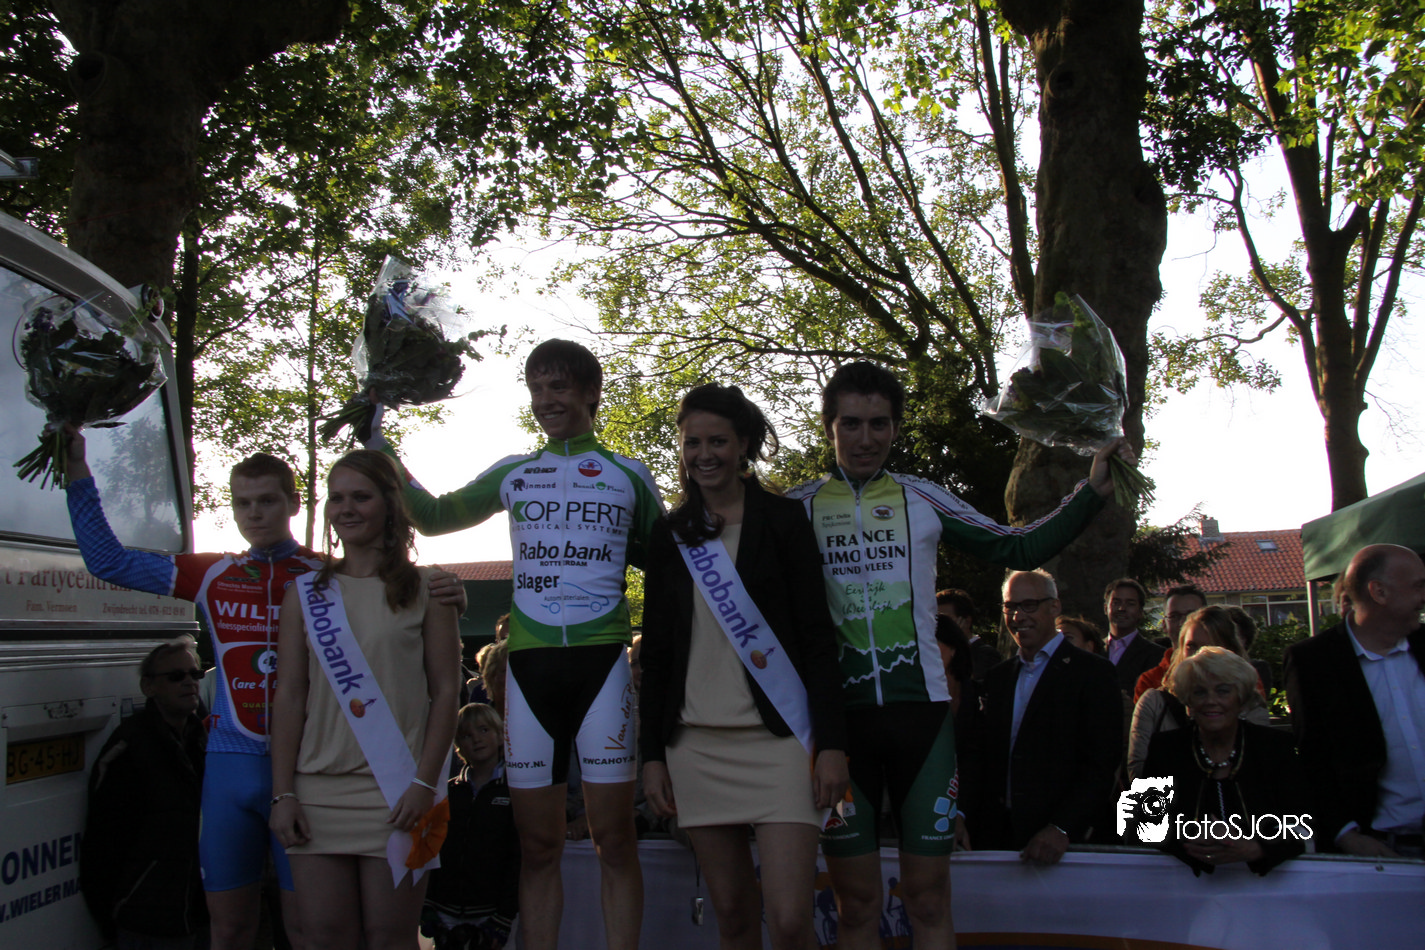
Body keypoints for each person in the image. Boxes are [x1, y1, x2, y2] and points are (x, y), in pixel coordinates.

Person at [65, 431, 466, 950]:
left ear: (294, 504)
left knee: (310, 933)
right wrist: (77, 471)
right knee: (235, 930)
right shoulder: (214, 573)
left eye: (267, 501)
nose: (255, 514)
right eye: (243, 503)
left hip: (326, 766)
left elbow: (423, 651)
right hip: (243, 765)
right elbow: (108, 562)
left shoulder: (320, 574)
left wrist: (451, 589)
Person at [785, 362, 1130, 949]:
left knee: (927, 896)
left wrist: (1093, 489)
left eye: (878, 424)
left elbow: (1018, 546)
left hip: (922, 720)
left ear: (895, 428)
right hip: (839, 728)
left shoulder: (921, 497)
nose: (865, 438)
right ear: (830, 428)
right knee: (856, 903)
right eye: (851, 424)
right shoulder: (797, 507)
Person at [367, 339, 662, 950]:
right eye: (535, 388)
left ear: (590, 393)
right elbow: (434, 516)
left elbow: (667, 562)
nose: (545, 400)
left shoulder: (629, 474)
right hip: (529, 672)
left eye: (558, 386)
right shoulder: (515, 471)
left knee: (614, 840)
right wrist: (382, 446)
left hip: (603, 666)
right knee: (538, 845)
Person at [640, 384, 847, 950]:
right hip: (696, 746)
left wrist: (832, 743)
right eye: (693, 443)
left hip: (781, 744)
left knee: (789, 920)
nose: (704, 454)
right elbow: (656, 654)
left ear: (743, 446)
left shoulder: (783, 520)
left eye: (718, 442)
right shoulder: (669, 534)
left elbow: (817, 638)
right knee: (731, 916)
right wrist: (652, 755)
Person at [269, 450, 461, 949]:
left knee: (391, 938)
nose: (346, 509)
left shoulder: (430, 588)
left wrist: (424, 784)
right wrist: (283, 793)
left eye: (361, 496)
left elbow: (447, 692)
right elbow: (289, 695)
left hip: (400, 793)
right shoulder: (303, 593)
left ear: (390, 505)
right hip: (316, 792)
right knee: (324, 937)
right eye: (336, 498)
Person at [970, 570, 1122, 864]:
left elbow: (1101, 763)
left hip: (1062, 848)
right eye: (1010, 607)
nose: (1018, 616)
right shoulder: (999, 677)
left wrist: (1063, 827)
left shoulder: (1093, 673)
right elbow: (983, 755)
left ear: (1054, 607)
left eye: (1029, 605)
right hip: (996, 839)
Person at [1284, 543, 1425, 857]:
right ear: (1379, 592)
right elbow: (1312, 760)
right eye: (1418, 586)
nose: (1423, 596)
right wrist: (1346, 836)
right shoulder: (1313, 662)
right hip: (1379, 854)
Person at [81, 637, 208, 949]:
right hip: (146, 920)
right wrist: (109, 918)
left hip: (202, 915)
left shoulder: (207, 738)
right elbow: (102, 843)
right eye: (176, 676)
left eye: (195, 674)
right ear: (149, 687)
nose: (189, 682)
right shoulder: (129, 749)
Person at [1137, 648, 1310, 874]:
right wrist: (1190, 841)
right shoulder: (1165, 749)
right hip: (1184, 881)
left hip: (1265, 885)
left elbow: (1302, 825)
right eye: (1199, 692)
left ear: (1241, 698)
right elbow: (1146, 826)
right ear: (1188, 702)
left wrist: (1258, 848)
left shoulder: (1274, 747)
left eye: (1223, 691)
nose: (1211, 701)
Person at [1127, 606, 1270, 781]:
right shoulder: (1154, 702)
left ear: (1230, 651)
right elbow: (1139, 773)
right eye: (1192, 647)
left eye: (1211, 647)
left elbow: (1264, 768)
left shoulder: (1250, 703)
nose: (1200, 656)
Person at [422, 703, 520, 950]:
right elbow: (431, 849)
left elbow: (517, 857)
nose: (476, 739)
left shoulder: (514, 791)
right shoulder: (448, 792)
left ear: (500, 735)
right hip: (444, 911)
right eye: (466, 735)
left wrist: (505, 915)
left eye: (484, 730)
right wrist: (427, 903)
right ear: (458, 746)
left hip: (490, 914)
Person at [1133, 584, 1206, 701]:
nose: (1183, 623)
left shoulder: (1227, 668)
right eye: (1174, 616)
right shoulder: (1150, 681)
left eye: (1191, 615)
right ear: (1164, 625)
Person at [1103, 578, 1167, 697]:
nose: (1122, 608)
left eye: (1130, 604)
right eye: (1116, 602)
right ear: (1105, 608)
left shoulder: (1157, 655)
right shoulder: (1092, 648)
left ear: (1140, 612)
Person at [935, 589, 1000, 680]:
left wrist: (957, 641)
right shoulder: (936, 653)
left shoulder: (985, 655)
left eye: (946, 620)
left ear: (966, 621)